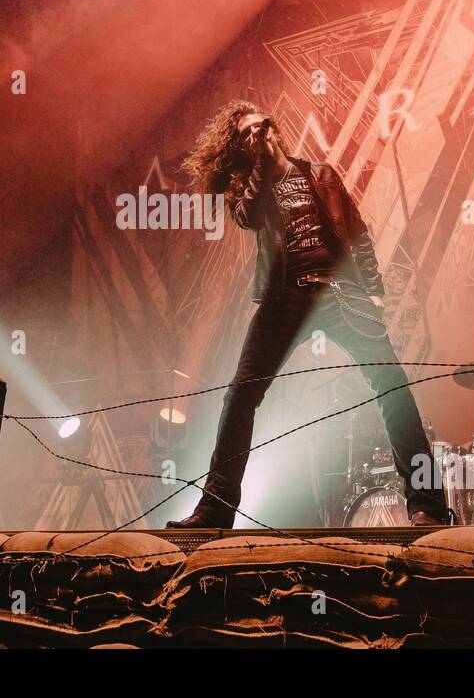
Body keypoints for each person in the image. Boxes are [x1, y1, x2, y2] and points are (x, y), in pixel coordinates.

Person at [167, 102, 449, 528]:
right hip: (284, 300)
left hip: (340, 292)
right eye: (245, 134)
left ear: (276, 128)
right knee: (240, 396)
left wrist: (372, 290)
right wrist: (261, 165)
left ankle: (426, 505)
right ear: (242, 148)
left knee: (391, 387)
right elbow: (248, 219)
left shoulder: (321, 174)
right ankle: (214, 510)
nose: (257, 134)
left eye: (261, 126)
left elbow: (355, 232)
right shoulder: (250, 191)